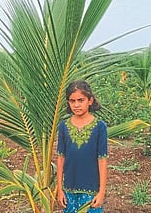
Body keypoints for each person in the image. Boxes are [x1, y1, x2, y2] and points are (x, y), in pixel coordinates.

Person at [56, 80, 108, 213]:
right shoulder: (64, 126)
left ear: (90, 101)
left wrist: (101, 192)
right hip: (69, 190)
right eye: (72, 101)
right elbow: (61, 158)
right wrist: (60, 190)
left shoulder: (99, 127)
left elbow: (102, 159)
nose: (76, 105)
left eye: (81, 100)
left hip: (92, 190)